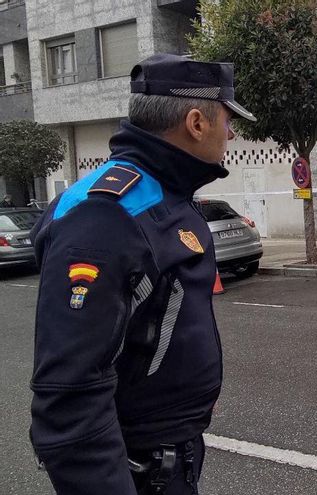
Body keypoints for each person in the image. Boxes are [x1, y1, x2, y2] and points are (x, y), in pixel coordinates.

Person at [27, 54, 255, 495]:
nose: (232, 132)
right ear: (196, 122)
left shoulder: (166, 189)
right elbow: (68, 398)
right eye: (228, 118)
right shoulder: (107, 215)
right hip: (141, 468)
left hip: (172, 453)